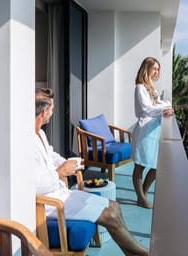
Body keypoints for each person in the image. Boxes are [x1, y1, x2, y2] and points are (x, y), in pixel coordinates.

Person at [34, 88, 149, 256]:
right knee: (109, 215)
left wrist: (67, 162)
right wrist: (59, 172)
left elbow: (51, 155)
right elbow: (35, 185)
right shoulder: (25, 141)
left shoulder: (40, 134)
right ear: (44, 112)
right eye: (52, 109)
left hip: (62, 194)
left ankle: (133, 253)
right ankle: (144, 253)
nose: (53, 112)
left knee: (114, 206)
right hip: (50, 204)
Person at [131, 57, 173, 209]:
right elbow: (148, 109)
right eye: (154, 68)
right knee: (140, 165)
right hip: (145, 130)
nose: (156, 71)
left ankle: (142, 194)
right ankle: (141, 198)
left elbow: (157, 103)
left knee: (156, 165)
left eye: (157, 69)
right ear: (146, 68)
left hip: (153, 130)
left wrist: (166, 105)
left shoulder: (151, 87)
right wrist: (164, 108)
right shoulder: (140, 87)